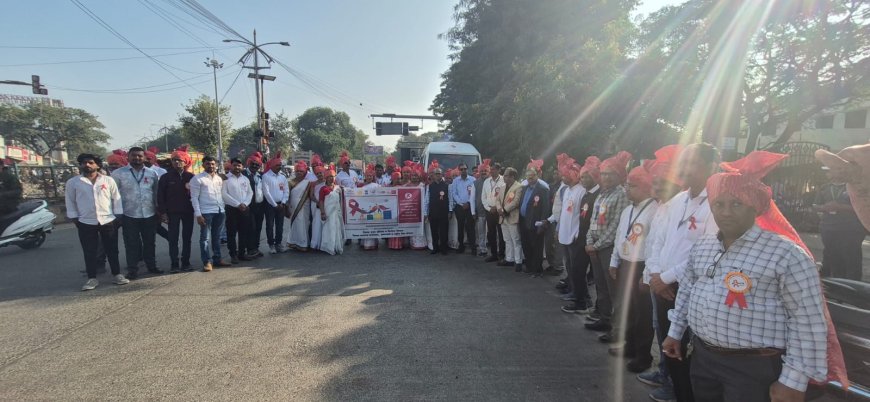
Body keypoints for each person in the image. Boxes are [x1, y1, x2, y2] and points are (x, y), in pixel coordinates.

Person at [663, 151, 829, 402]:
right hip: (703, 358)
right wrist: (675, 332)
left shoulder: (786, 254)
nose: (726, 212)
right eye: (719, 204)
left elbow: (807, 321)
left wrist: (793, 381)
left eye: (736, 204)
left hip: (754, 368)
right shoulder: (704, 246)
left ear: (754, 207)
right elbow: (686, 291)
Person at [645, 143, 720, 402]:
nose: (685, 168)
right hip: (661, 285)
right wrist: (655, 273)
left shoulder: (716, 204)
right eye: (683, 162)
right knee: (670, 347)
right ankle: (675, 390)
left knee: (687, 353)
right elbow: (659, 241)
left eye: (693, 162)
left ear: (711, 167)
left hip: (689, 289)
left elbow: (707, 251)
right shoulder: (678, 200)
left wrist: (665, 278)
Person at [635, 144, 684, 398]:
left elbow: (688, 251)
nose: (655, 187)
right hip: (658, 280)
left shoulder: (681, 207)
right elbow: (655, 245)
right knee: (661, 330)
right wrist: (652, 276)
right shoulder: (663, 206)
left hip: (672, 283)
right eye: (654, 182)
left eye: (661, 182)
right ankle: (664, 372)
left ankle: (675, 384)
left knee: (675, 334)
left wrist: (663, 279)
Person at [608, 163, 657, 373]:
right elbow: (620, 235)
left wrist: (647, 274)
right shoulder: (628, 209)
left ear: (646, 187)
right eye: (627, 185)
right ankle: (628, 345)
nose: (627, 189)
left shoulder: (655, 209)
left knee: (642, 313)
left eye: (633, 186)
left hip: (642, 265)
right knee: (627, 308)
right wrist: (614, 260)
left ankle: (643, 354)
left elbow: (654, 243)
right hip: (626, 262)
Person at [584, 151, 631, 343]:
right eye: (603, 173)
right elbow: (593, 221)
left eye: (610, 174)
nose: (606, 177)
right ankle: (604, 318)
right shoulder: (602, 195)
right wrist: (589, 242)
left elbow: (616, 226)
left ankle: (617, 329)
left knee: (614, 290)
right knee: (601, 287)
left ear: (619, 176)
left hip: (607, 248)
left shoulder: (621, 195)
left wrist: (596, 245)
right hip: (594, 247)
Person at [65, 153, 129, 290]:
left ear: (98, 165)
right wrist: (74, 218)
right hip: (86, 221)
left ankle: (117, 274)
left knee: (112, 249)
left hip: (108, 220)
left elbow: (116, 199)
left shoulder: (107, 180)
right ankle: (92, 278)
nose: (87, 165)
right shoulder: (73, 182)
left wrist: (118, 216)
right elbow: (70, 201)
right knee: (89, 250)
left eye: (90, 162)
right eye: (84, 163)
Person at [112, 147, 162, 279]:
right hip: (129, 214)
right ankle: (132, 270)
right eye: (134, 156)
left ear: (144, 158)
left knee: (150, 242)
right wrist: (116, 215)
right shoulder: (118, 174)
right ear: (128, 157)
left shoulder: (152, 173)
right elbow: (113, 195)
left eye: (140, 156)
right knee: (131, 243)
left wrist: (158, 210)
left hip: (149, 213)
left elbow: (156, 193)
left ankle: (152, 266)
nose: (137, 158)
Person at [559, 155, 600, 314]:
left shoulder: (586, 193)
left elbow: (584, 220)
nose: (583, 179)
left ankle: (583, 300)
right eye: (582, 176)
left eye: (586, 176)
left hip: (582, 239)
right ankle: (578, 296)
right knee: (573, 269)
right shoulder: (578, 192)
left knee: (579, 270)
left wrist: (578, 236)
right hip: (572, 236)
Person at [815, 167, 866, 280]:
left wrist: (840, 207)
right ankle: (838, 284)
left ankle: (853, 288)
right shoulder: (824, 188)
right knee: (833, 256)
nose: (827, 173)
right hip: (829, 227)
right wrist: (823, 208)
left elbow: (863, 207)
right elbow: (816, 205)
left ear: (841, 170)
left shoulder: (855, 188)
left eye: (830, 170)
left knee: (851, 257)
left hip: (851, 229)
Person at [157, 146, 195, 273]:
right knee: (173, 239)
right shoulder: (165, 178)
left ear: (185, 162)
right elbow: (160, 196)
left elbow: (197, 195)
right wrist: (163, 213)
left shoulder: (191, 177)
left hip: (188, 212)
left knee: (187, 238)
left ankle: (186, 262)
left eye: (179, 160)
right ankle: (174, 264)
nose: (176, 162)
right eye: (174, 160)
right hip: (172, 213)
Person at [190, 156, 230, 272]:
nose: (211, 166)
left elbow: (221, 194)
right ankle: (206, 261)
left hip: (219, 211)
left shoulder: (218, 178)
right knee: (205, 238)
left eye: (213, 164)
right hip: (206, 212)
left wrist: (223, 208)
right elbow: (194, 198)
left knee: (217, 237)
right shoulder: (197, 179)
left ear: (216, 165)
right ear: (203, 165)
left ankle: (217, 259)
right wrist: (198, 215)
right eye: (208, 164)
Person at [519, 160, 551, 276]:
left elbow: (546, 208)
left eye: (532, 177)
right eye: (528, 177)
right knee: (526, 244)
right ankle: (529, 266)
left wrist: (542, 223)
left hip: (535, 222)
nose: (529, 179)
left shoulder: (543, 189)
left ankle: (537, 269)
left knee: (536, 246)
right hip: (523, 220)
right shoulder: (524, 187)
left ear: (537, 176)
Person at [222, 158, 255, 264]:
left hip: (245, 208)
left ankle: (242, 253)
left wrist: (245, 204)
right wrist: (237, 204)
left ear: (242, 167)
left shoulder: (245, 179)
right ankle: (233, 254)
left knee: (243, 232)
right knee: (231, 233)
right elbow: (224, 194)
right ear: (230, 166)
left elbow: (250, 193)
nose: (237, 167)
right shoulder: (225, 179)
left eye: (239, 166)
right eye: (235, 165)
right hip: (231, 209)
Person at [262, 152, 289, 254]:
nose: (280, 167)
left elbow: (286, 191)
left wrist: (282, 203)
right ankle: (271, 245)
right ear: (272, 165)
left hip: (281, 205)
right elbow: (266, 192)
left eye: (280, 165)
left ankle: (278, 244)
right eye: (278, 165)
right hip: (270, 205)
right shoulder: (266, 176)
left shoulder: (282, 177)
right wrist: (275, 205)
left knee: (280, 225)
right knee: (270, 225)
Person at [482, 162, 506, 262]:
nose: (491, 171)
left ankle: (501, 254)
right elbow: (483, 197)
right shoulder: (486, 181)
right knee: (491, 233)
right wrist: (488, 208)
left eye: (494, 169)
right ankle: (493, 254)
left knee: (501, 234)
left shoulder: (504, 181)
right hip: (489, 211)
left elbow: (505, 197)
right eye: (490, 169)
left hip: (499, 211)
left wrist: (497, 207)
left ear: (499, 170)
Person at [243, 152, 266, 257]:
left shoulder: (261, 175)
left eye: (257, 165)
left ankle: (256, 248)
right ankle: (249, 249)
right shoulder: (243, 174)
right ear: (248, 163)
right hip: (248, 206)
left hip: (260, 206)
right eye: (253, 164)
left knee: (258, 228)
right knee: (250, 228)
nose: (255, 166)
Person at [287, 160, 313, 251]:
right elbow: (287, 196)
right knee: (295, 223)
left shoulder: (308, 183)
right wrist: (286, 208)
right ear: (295, 171)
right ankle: (294, 242)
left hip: (305, 206)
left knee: (304, 224)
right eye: (297, 171)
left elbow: (310, 195)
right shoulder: (290, 182)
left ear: (305, 172)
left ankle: (303, 243)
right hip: (293, 206)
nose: (299, 173)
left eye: (301, 171)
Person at [451, 163, 476, 254]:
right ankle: (461, 246)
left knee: (470, 227)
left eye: (465, 169)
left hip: (470, 206)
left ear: (467, 169)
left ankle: (473, 247)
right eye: (461, 169)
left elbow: (474, 194)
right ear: (459, 170)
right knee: (460, 227)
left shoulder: (473, 180)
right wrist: (462, 204)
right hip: (460, 207)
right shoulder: (456, 181)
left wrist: (468, 202)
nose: (463, 170)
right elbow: (454, 194)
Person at [318, 168, 344, 255]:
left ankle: (336, 246)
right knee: (329, 229)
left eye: (332, 176)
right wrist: (322, 212)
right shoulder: (323, 189)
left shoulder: (338, 188)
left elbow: (341, 200)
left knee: (336, 229)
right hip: (328, 212)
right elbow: (321, 201)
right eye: (329, 177)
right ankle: (328, 247)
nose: (331, 178)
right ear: (325, 178)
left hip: (336, 213)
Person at [426, 167, 451, 255]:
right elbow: (427, 200)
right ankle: (435, 248)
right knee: (434, 231)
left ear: (442, 175)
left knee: (444, 232)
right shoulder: (429, 186)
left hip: (444, 212)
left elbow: (450, 199)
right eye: (436, 174)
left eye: (439, 173)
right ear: (433, 175)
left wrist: (450, 211)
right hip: (433, 212)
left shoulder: (447, 186)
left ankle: (444, 248)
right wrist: (426, 212)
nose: (437, 175)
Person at [360, 164, 380, 250]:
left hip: (374, 207)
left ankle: (374, 242)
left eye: (370, 176)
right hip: (365, 207)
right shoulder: (361, 186)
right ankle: (366, 242)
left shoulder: (377, 186)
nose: (369, 177)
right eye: (367, 176)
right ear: (365, 176)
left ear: (373, 177)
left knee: (373, 224)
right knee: (366, 225)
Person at [309, 154, 327, 251]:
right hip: (315, 206)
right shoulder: (313, 184)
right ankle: (315, 244)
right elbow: (311, 196)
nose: (320, 174)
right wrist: (318, 202)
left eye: (321, 173)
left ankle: (324, 244)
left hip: (325, 206)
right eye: (318, 173)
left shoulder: (327, 183)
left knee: (324, 224)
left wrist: (323, 204)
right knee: (316, 224)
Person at [474, 160, 491, 257]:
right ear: (479, 172)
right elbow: (473, 198)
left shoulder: (491, 181)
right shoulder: (475, 183)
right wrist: (474, 211)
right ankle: (482, 249)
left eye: (485, 171)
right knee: (481, 232)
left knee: (492, 232)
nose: (483, 172)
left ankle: (494, 250)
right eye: (482, 171)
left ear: (488, 171)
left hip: (491, 211)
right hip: (480, 211)